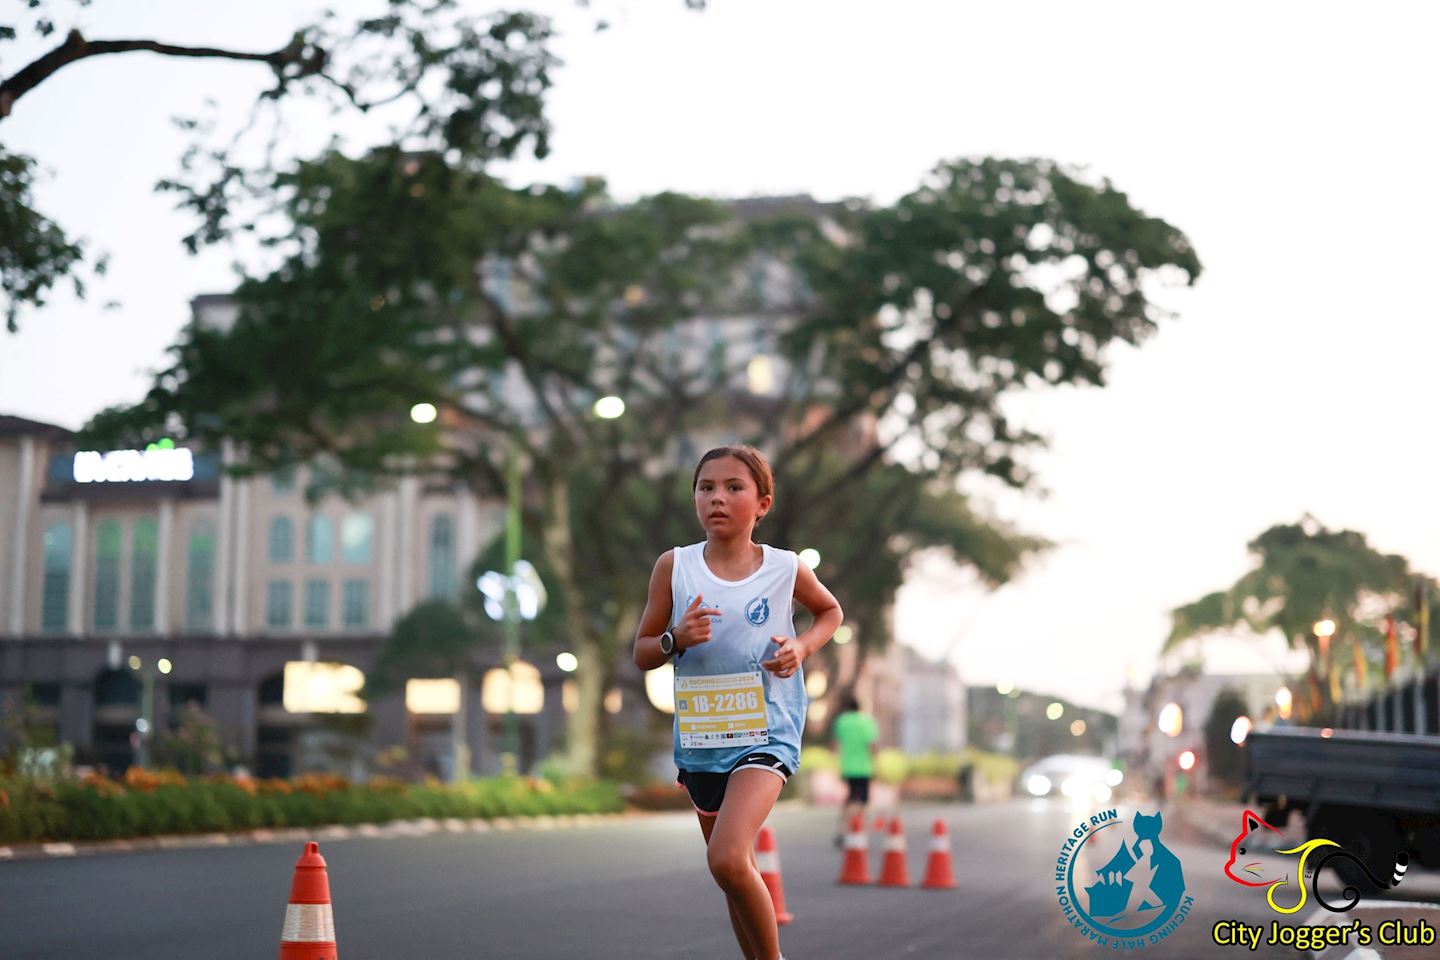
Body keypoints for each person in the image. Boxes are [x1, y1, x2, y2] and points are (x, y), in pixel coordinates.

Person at [634, 444, 843, 960]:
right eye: (706, 488)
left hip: (767, 732)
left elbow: (830, 612)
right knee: (731, 871)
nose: (717, 499)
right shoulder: (674, 567)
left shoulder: (784, 568)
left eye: (733, 488)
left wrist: (801, 646)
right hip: (703, 739)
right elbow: (642, 652)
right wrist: (675, 638)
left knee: (727, 859)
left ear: (762, 503)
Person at [831, 695, 878, 845]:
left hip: (847, 766)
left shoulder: (842, 722)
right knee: (861, 801)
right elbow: (872, 746)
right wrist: (877, 765)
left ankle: (844, 830)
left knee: (850, 798)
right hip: (864, 767)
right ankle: (857, 831)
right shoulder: (867, 722)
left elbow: (835, 745)